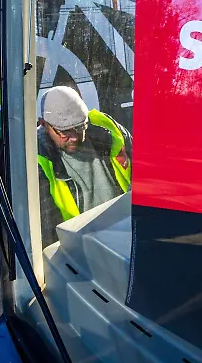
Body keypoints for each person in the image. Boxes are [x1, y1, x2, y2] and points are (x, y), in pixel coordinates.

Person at [37, 86, 132, 246]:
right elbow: (45, 231)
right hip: (82, 245)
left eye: (80, 127)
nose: (74, 137)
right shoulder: (38, 159)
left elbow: (142, 166)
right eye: (64, 131)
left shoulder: (107, 128)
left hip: (126, 226)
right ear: (44, 125)